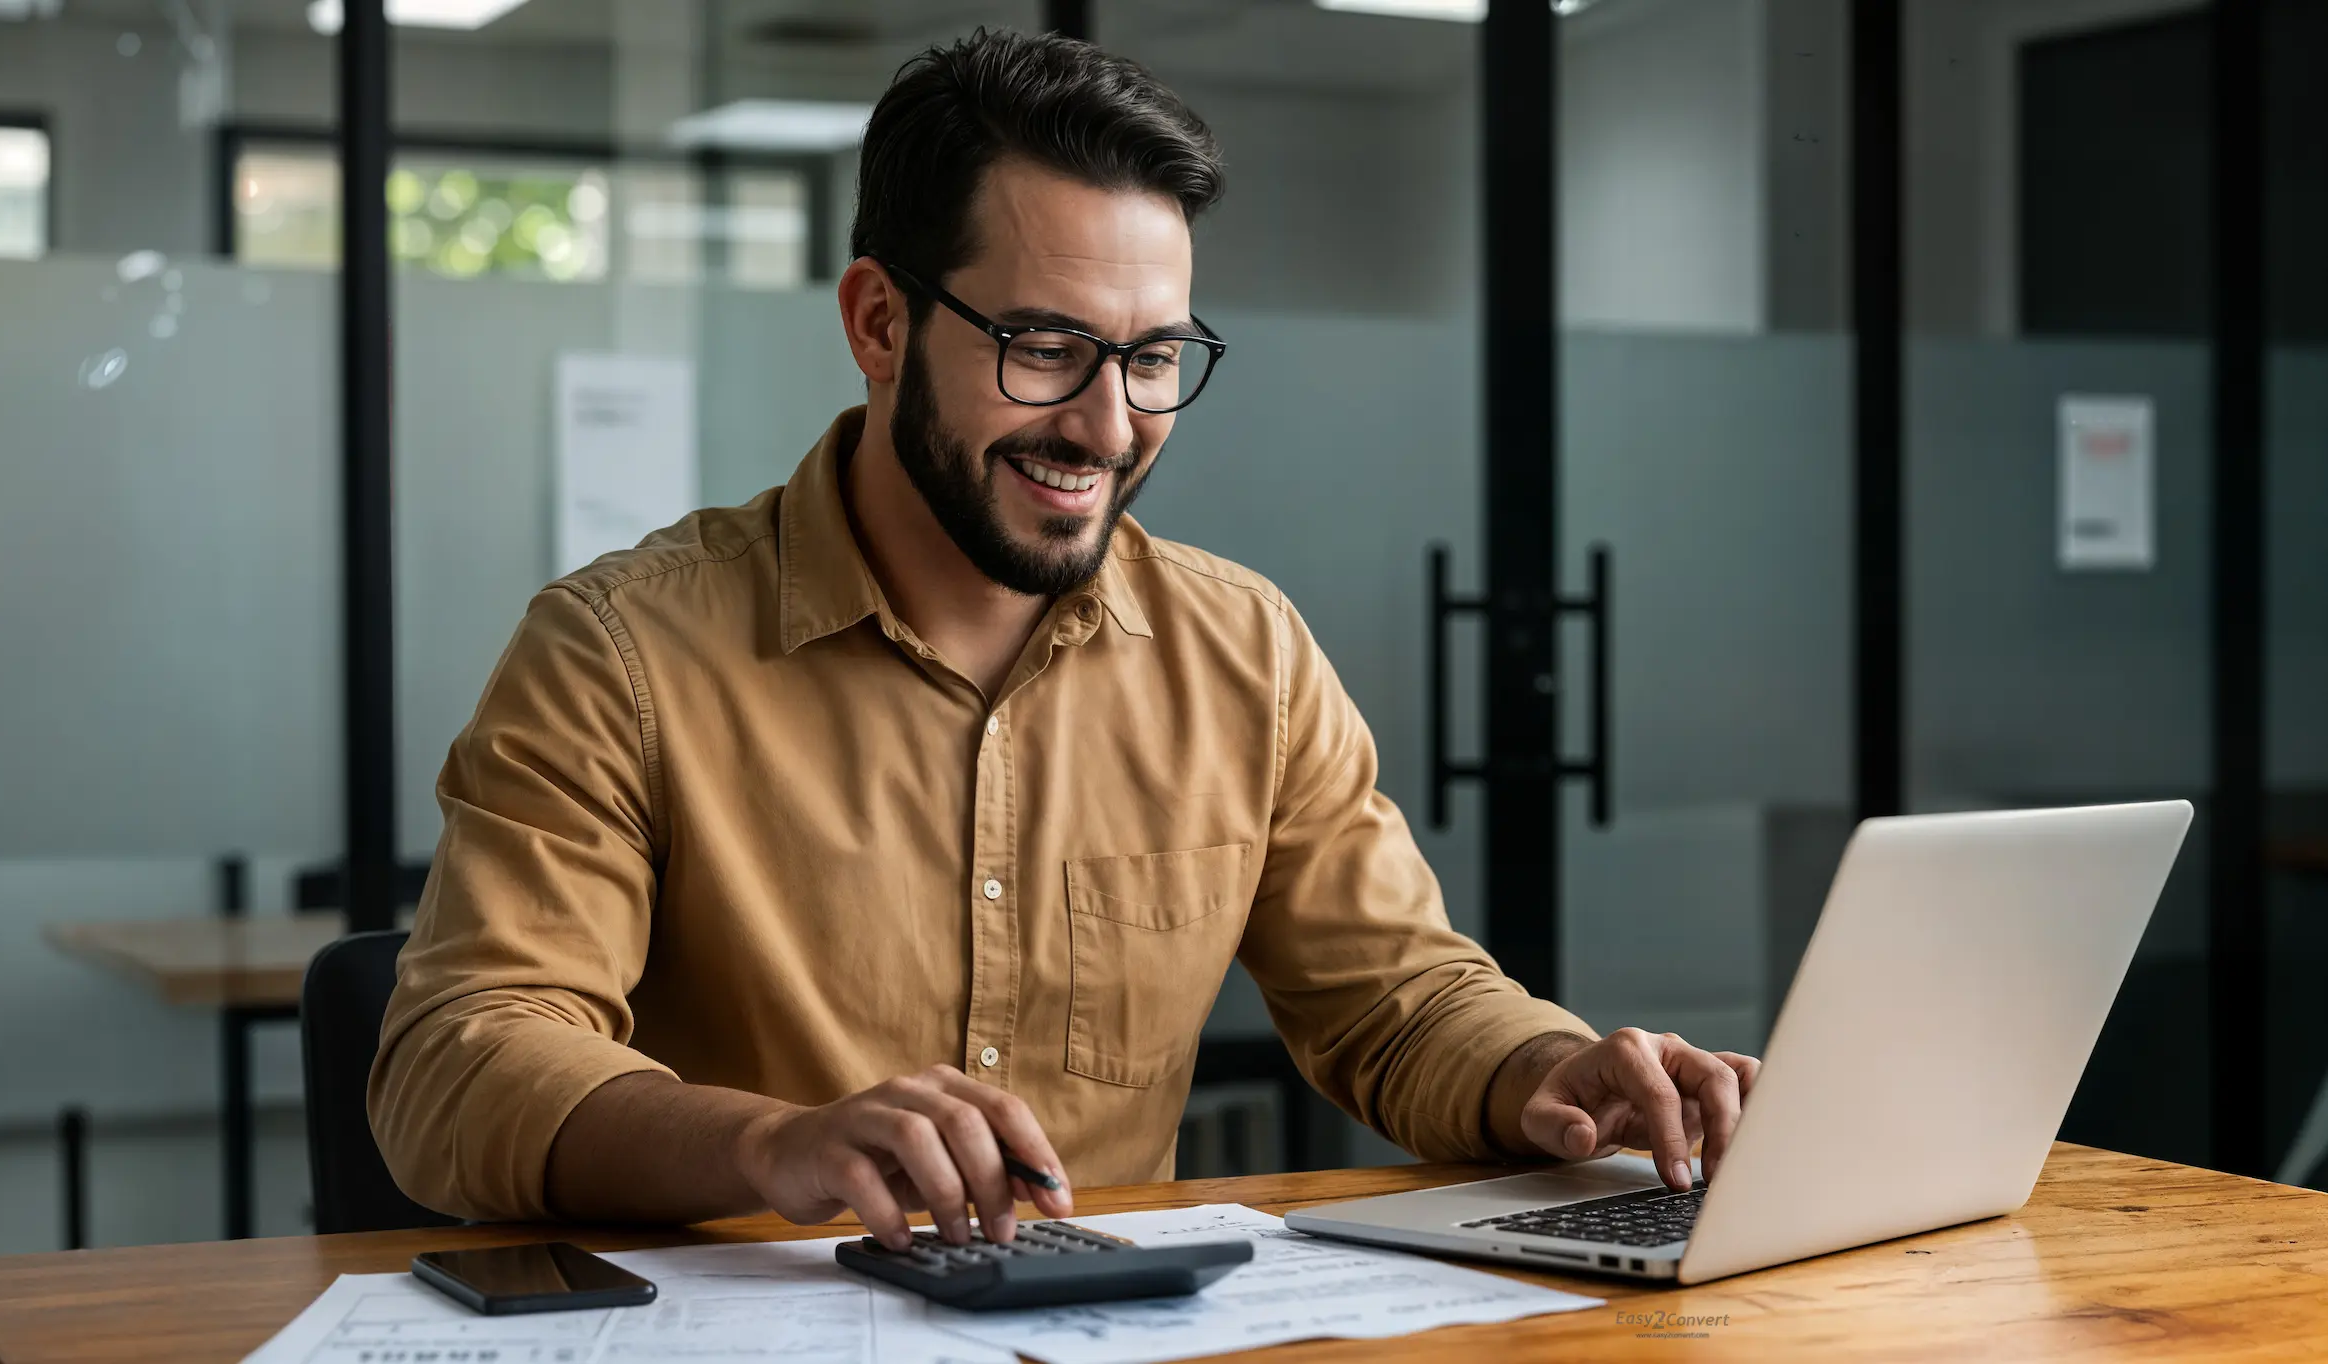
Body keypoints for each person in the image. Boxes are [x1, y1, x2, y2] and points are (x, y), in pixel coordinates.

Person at [371, 27, 1758, 1252]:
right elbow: (462, 1062)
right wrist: (769, 1146)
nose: (1107, 427)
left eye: (1152, 357)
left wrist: (1554, 1073)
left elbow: (1393, 1000)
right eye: (1043, 345)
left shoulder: (1244, 654)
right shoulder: (619, 654)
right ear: (878, 322)